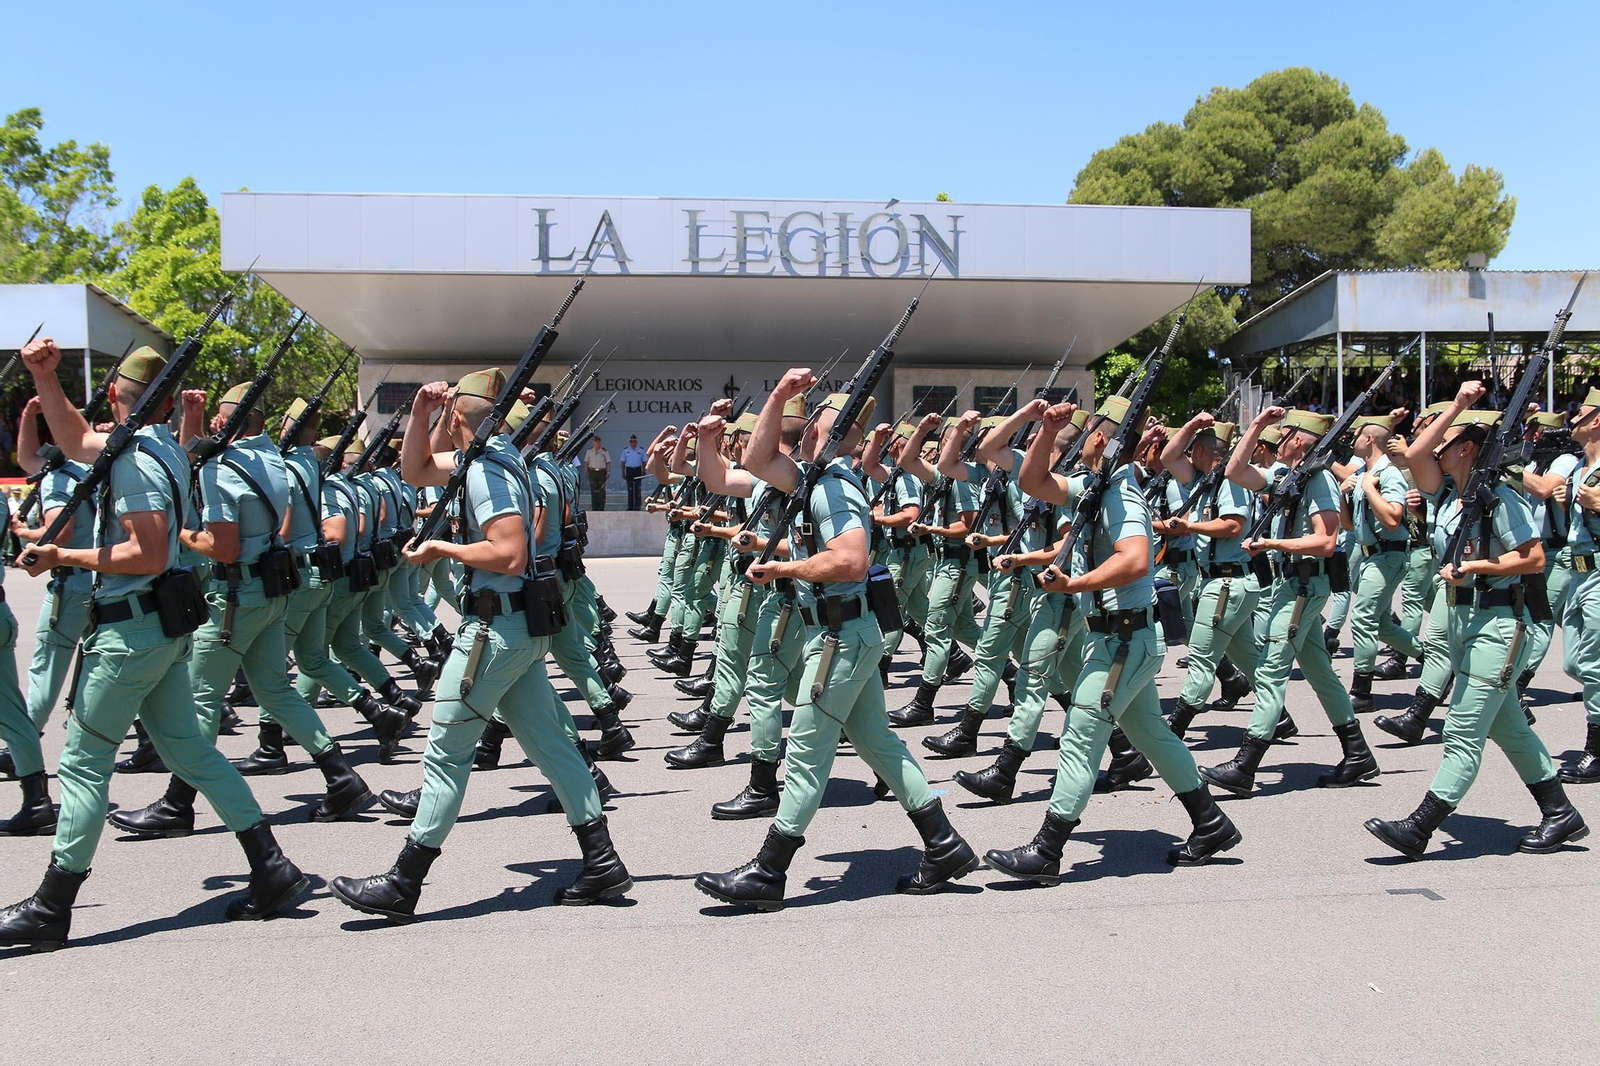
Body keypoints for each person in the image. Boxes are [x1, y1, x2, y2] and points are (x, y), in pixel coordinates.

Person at [0, 341, 308, 951]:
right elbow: (74, 439)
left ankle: (52, 905)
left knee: (85, 764)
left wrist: (63, 554)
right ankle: (272, 867)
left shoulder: (137, 459)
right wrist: (45, 377)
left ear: (117, 396)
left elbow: (144, 549)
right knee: (192, 752)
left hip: (131, 630)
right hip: (159, 626)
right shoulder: (159, 445)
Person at [331, 371, 631, 923]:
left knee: (445, 752)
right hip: (516, 631)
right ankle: (602, 860)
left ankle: (404, 881)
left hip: (493, 633)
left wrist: (442, 545)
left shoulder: (488, 470)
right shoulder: (493, 458)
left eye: (444, 411)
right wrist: (419, 415)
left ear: (459, 416)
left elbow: (509, 553)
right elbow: (415, 469)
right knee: (553, 746)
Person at [696, 374, 978, 909]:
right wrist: (776, 397)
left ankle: (768, 871)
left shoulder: (835, 486)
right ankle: (944, 844)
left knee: (804, 750)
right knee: (879, 744)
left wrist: (786, 564)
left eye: (813, 420)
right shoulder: (809, 477)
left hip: (841, 635)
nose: (800, 430)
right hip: (836, 631)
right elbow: (754, 463)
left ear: (831, 432)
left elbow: (851, 560)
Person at [1365, 385, 1587, 858]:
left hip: (1501, 625)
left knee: (1463, 730)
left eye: (1449, 441)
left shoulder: (1500, 499)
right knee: (1509, 726)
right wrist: (1460, 408)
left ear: (1466, 448)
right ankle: (1561, 813)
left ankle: (1420, 827)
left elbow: (1533, 558)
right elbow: (1418, 452)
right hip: (1468, 621)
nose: (1436, 447)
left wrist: (1477, 569)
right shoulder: (1452, 492)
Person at [1201, 407, 1380, 797]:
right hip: (1291, 584)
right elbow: (1235, 471)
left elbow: (1326, 541)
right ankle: (1357, 753)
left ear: (1298, 440)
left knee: (1270, 671)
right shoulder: (1288, 476)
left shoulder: (1319, 482)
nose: (1274, 445)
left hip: (1304, 586)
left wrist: (1271, 543)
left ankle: (1245, 765)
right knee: (1320, 672)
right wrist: (1256, 426)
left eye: (1280, 436)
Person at [621, 434, 647, 510]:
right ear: (629, 442)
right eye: (631, 441)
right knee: (630, 489)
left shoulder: (641, 450)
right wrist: (623, 472)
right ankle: (630, 506)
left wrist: (644, 470)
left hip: (637, 470)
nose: (632, 442)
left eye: (634, 441)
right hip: (629, 470)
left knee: (637, 489)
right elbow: (622, 462)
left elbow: (643, 462)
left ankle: (637, 506)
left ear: (636, 442)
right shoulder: (626, 451)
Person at [585, 435, 611, 511]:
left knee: (601, 491)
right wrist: (586, 472)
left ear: (600, 442)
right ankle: (595, 508)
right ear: (593, 442)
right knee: (593, 490)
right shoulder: (589, 451)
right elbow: (586, 462)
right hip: (592, 472)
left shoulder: (604, 451)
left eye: (598, 441)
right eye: (595, 441)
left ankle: (601, 507)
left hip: (601, 472)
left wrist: (608, 472)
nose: (596, 443)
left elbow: (608, 463)